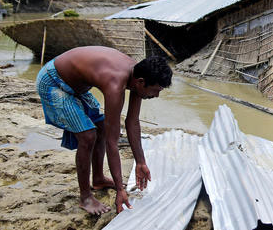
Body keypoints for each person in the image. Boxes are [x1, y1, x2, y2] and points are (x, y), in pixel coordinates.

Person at [36, 46, 172, 215]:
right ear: (141, 82)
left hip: (77, 86)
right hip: (54, 82)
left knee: (101, 126)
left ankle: (98, 178)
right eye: (156, 90)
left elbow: (132, 122)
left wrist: (141, 162)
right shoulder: (116, 84)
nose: (156, 95)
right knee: (88, 136)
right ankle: (85, 198)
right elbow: (112, 142)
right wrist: (120, 190)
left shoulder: (139, 75)